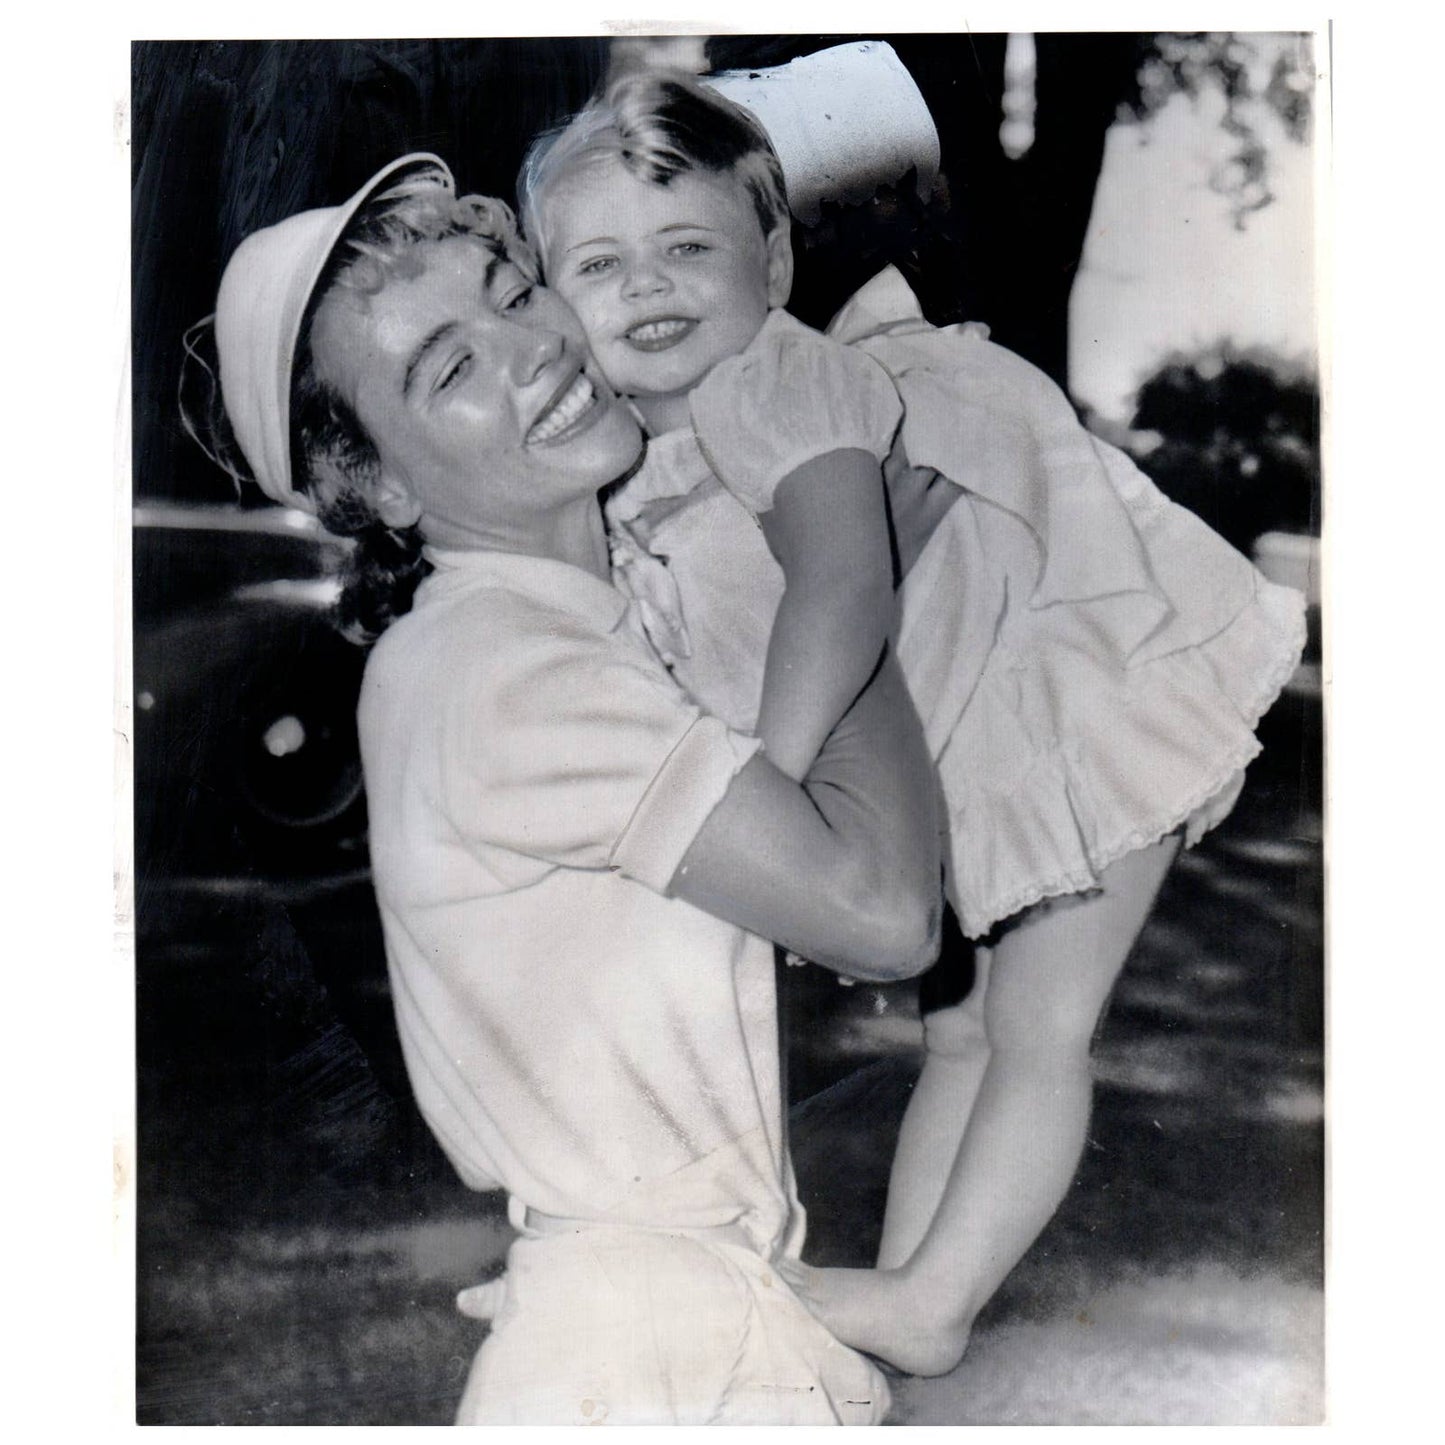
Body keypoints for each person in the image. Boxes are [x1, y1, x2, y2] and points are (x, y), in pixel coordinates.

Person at [517, 67, 1309, 1376]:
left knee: (1039, 1026)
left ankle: (932, 1294)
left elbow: (841, 588)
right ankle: (908, 1297)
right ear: (554, 298)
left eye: (684, 249)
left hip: (1078, 689)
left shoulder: (772, 384)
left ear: (769, 260)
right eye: (598, 264)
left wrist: (774, 797)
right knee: (962, 1031)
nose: (644, 287)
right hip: (969, 745)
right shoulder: (638, 467)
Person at [199, 151, 953, 1425]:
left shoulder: (561, 627)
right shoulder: (501, 669)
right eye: (448, 367)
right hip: (647, 1356)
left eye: (511, 291)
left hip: (659, 1322)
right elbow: (880, 908)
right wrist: (840, 555)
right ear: (377, 485)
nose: (530, 348)